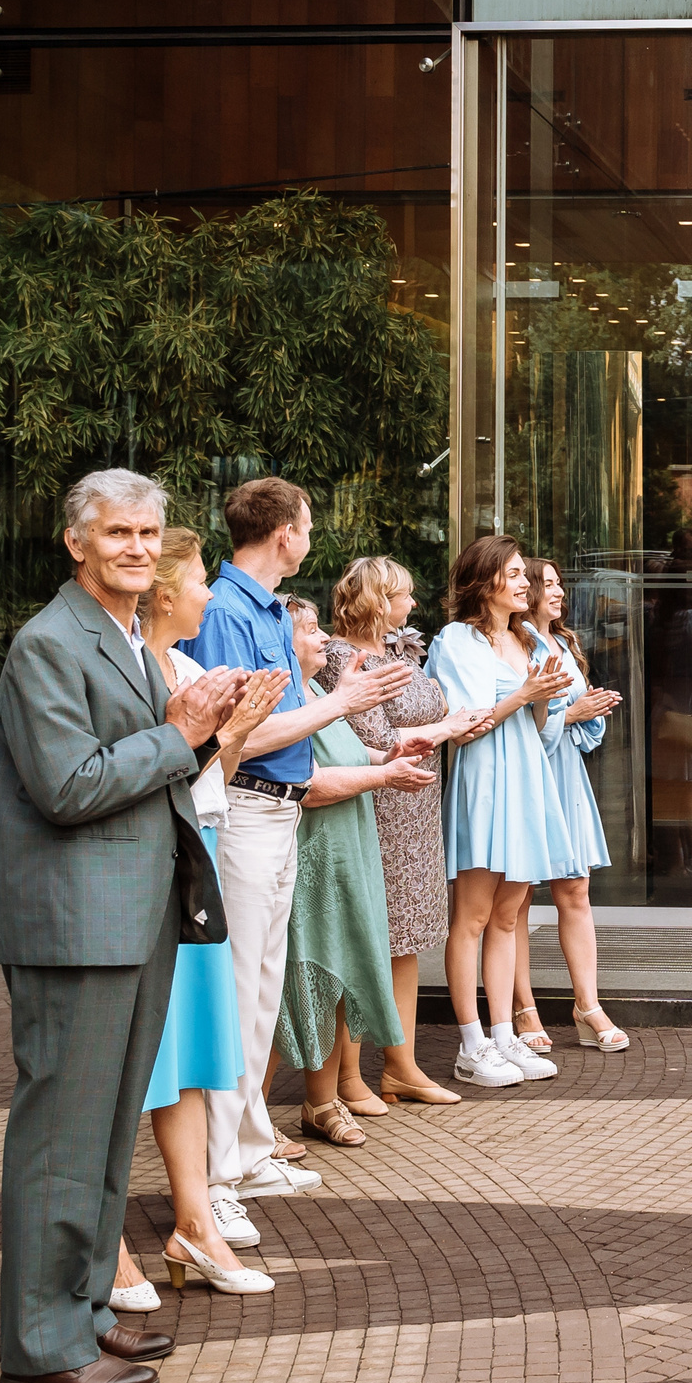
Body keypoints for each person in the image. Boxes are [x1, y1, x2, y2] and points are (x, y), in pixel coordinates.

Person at [0, 468, 245, 1383]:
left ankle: (87, 1310)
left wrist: (213, 730)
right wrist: (182, 733)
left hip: (131, 922)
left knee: (100, 1140)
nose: (138, 548)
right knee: (62, 1140)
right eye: (118, 534)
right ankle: (46, 1344)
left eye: (150, 533)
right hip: (75, 930)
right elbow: (67, 786)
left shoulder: (127, 636)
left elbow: (149, 766)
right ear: (76, 542)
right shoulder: (48, 644)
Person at [184, 479, 413, 1245]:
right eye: (307, 524)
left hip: (275, 811)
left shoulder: (266, 608)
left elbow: (283, 720)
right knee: (241, 986)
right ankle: (218, 1171)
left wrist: (336, 701)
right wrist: (341, 702)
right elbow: (241, 732)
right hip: (248, 804)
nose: (311, 536)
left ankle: (246, 1151)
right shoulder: (224, 609)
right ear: (283, 531)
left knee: (260, 989)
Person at [108, 527, 285, 1309]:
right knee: (125, 1060)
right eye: (199, 581)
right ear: (167, 595)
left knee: (185, 1056)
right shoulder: (128, 668)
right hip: (151, 864)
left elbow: (209, 778)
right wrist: (208, 736)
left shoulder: (184, 666)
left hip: (196, 855)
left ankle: (192, 1220)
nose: (211, 594)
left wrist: (235, 732)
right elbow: (138, 774)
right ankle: (105, 1242)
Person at [323, 556, 486, 1107]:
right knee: (365, 940)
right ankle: (348, 1077)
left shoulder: (400, 651)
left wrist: (447, 723)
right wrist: (447, 727)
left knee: (408, 940)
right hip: (375, 806)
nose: (413, 605)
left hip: (417, 809)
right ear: (375, 600)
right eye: (404, 595)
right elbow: (368, 734)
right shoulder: (339, 659)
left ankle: (402, 1065)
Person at [275, 597, 431, 1146]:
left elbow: (342, 754)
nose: (324, 641)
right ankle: (281, 1110)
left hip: (348, 850)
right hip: (315, 856)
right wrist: (385, 779)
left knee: (338, 978)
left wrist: (386, 755)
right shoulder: (285, 699)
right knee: (306, 980)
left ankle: (325, 1101)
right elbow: (310, 785)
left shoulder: (316, 692)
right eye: (310, 631)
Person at [428, 535, 574, 1087]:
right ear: (484, 579)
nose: (524, 582)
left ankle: (505, 1036)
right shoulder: (457, 640)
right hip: (486, 781)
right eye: (513, 573)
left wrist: (540, 700)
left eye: (523, 574)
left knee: (510, 918)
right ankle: (471, 1044)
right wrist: (524, 695)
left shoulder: (528, 638)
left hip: (527, 777)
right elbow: (464, 728)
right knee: (471, 917)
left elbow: (541, 728)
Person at [509, 558, 632, 1049]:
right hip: (530, 777)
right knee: (513, 899)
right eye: (550, 584)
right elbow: (521, 729)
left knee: (575, 892)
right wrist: (573, 714)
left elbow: (579, 730)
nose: (559, 593)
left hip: (566, 777)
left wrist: (586, 713)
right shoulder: (517, 643)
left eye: (560, 584)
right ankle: (524, 1009)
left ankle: (588, 1005)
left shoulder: (563, 642)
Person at [652, 530, 692, 877]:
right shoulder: (691, 615)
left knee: (691, 783)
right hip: (691, 703)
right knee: (691, 782)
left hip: (685, 697)